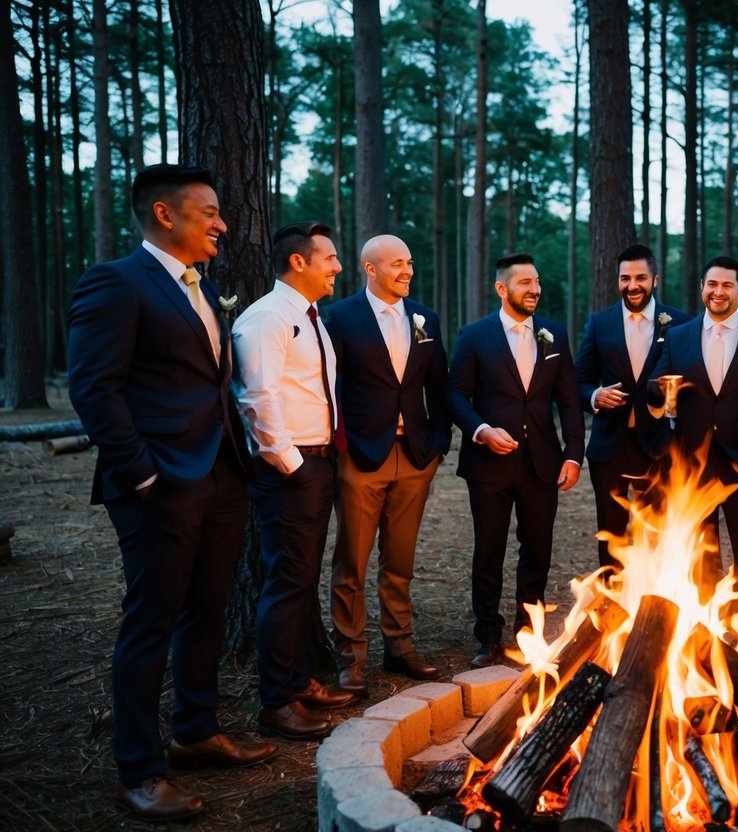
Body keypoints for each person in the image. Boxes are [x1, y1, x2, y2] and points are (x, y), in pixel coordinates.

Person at [67, 163, 276, 821]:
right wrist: (143, 473)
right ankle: (139, 767)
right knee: (152, 619)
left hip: (219, 476)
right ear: (165, 214)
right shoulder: (116, 282)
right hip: (157, 484)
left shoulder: (201, 288)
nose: (222, 223)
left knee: (208, 609)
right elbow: (94, 387)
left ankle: (195, 728)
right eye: (210, 211)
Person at [233, 221, 356, 742]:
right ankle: (276, 702)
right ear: (299, 262)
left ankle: (301, 678)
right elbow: (256, 397)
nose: (337, 266)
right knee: (285, 584)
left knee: (300, 579)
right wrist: (293, 465)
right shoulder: (265, 318)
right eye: (329, 257)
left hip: (319, 462)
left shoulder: (312, 318)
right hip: (292, 471)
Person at [445, 252, 585, 668]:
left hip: (542, 462)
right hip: (488, 464)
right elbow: (454, 394)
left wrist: (574, 454)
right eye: (525, 282)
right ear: (502, 288)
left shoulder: (554, 335)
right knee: (489, 551)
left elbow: (569, 401)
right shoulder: (474, 335)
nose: (535, 289)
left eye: (537, 281)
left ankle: (528, 632)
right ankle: (487, 636)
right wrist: (481, 430)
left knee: (537, 551)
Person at [325, 235, 451, 691]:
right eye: (398, 263)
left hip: (415, 456)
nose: (408, 271)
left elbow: (438, 386)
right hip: (361, 456)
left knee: (400, 559)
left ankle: (399, 647)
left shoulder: (426, 318)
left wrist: (438, 443)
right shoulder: (338, 317)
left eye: (410, 262)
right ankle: (350, 655)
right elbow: (329, 386)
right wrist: (342, 446)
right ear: (369, 268)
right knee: (351, 563)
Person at [650, 256, 738, 622]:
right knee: (703, 547)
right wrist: (661, 393)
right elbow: (656, 386)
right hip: (693, 461)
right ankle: (707, 624)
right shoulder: (678, 336)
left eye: (726, 286)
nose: (717, 292)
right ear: (703, 287)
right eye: (711, 284)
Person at [573, 244, 691, 570]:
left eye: (640, 277)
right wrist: (595, 396)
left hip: (661, 445)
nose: (632, 285)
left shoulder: (679, 323)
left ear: (655, 278)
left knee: (657, 533)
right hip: (610, 445)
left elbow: (694, 382)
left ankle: (652, 611)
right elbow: (579, 381)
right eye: (625, 278)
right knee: (611, 533)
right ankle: (612, 608)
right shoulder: (599, 323)